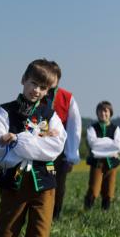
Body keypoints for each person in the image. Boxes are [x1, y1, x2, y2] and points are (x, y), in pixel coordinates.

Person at [0, 59, 66, 237]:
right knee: (4, 234)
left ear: (48, 90)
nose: (36, 90)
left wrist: (18, 139)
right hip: (14, 183)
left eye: (43, 87)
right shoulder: (6, 111)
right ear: (23, 80)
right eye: (33, 83)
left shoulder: (51, 116)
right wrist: (36, 141)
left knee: (40, 236)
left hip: (44, 184)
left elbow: (54, 149)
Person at [45, 61, 82, 219]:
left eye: (54, 75)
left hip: (60, 153)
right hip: (40, 150)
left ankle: (56, 214)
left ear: (58, 77)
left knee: (58, 184)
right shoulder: (38, 93)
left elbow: (74, 127)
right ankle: (41, 214)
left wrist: (71, 154)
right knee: (42, 183)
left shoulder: (67, 98)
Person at [84, 101, 120, 210]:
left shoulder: (115, 129)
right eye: (100, 111)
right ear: (97, 113)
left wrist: (102, 143)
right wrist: (111, 145)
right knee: (94, 189)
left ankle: (105, 212)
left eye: (105, 111)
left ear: (110, 113)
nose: (103, 113)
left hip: (112, 163)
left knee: (109, 190)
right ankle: (87, 211)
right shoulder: (92, 129)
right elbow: (93, 144)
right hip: (97, 163)